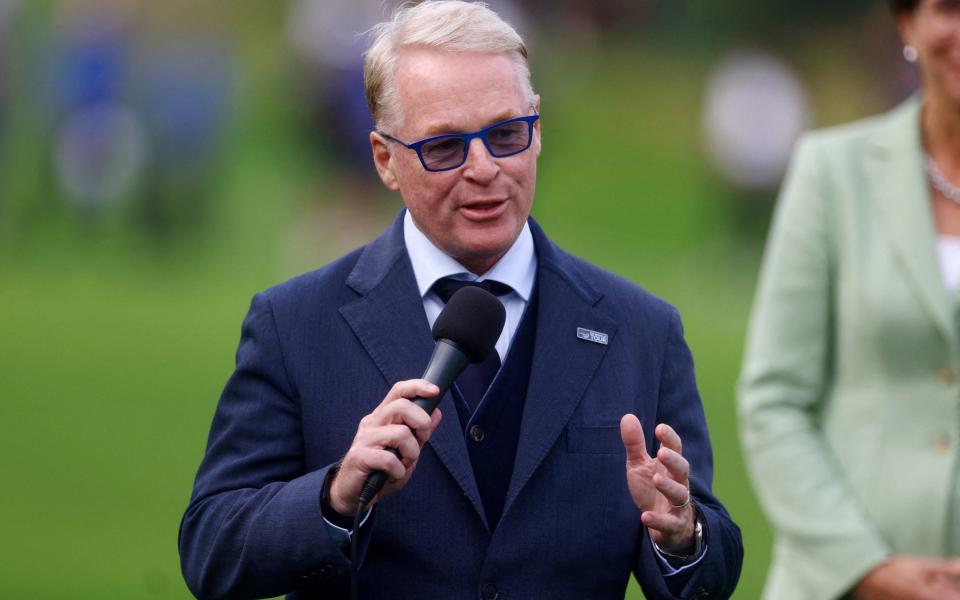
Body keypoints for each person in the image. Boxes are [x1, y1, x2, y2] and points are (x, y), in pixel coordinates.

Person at [179, 2, 743, 598]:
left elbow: (712, 567)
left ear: (538, 130)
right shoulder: (295, 324)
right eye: (445, 147)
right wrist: (335, 495)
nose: (485, 169)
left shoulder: (643, 331)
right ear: (384, 160)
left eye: (506, 135)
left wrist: (682, 536)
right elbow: (213, 550)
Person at [737, 1, 960, 599]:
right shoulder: (831, 173)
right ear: (907, 24)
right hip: (838, 584)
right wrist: (866, 567)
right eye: (951, 8)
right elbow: (774, 400)